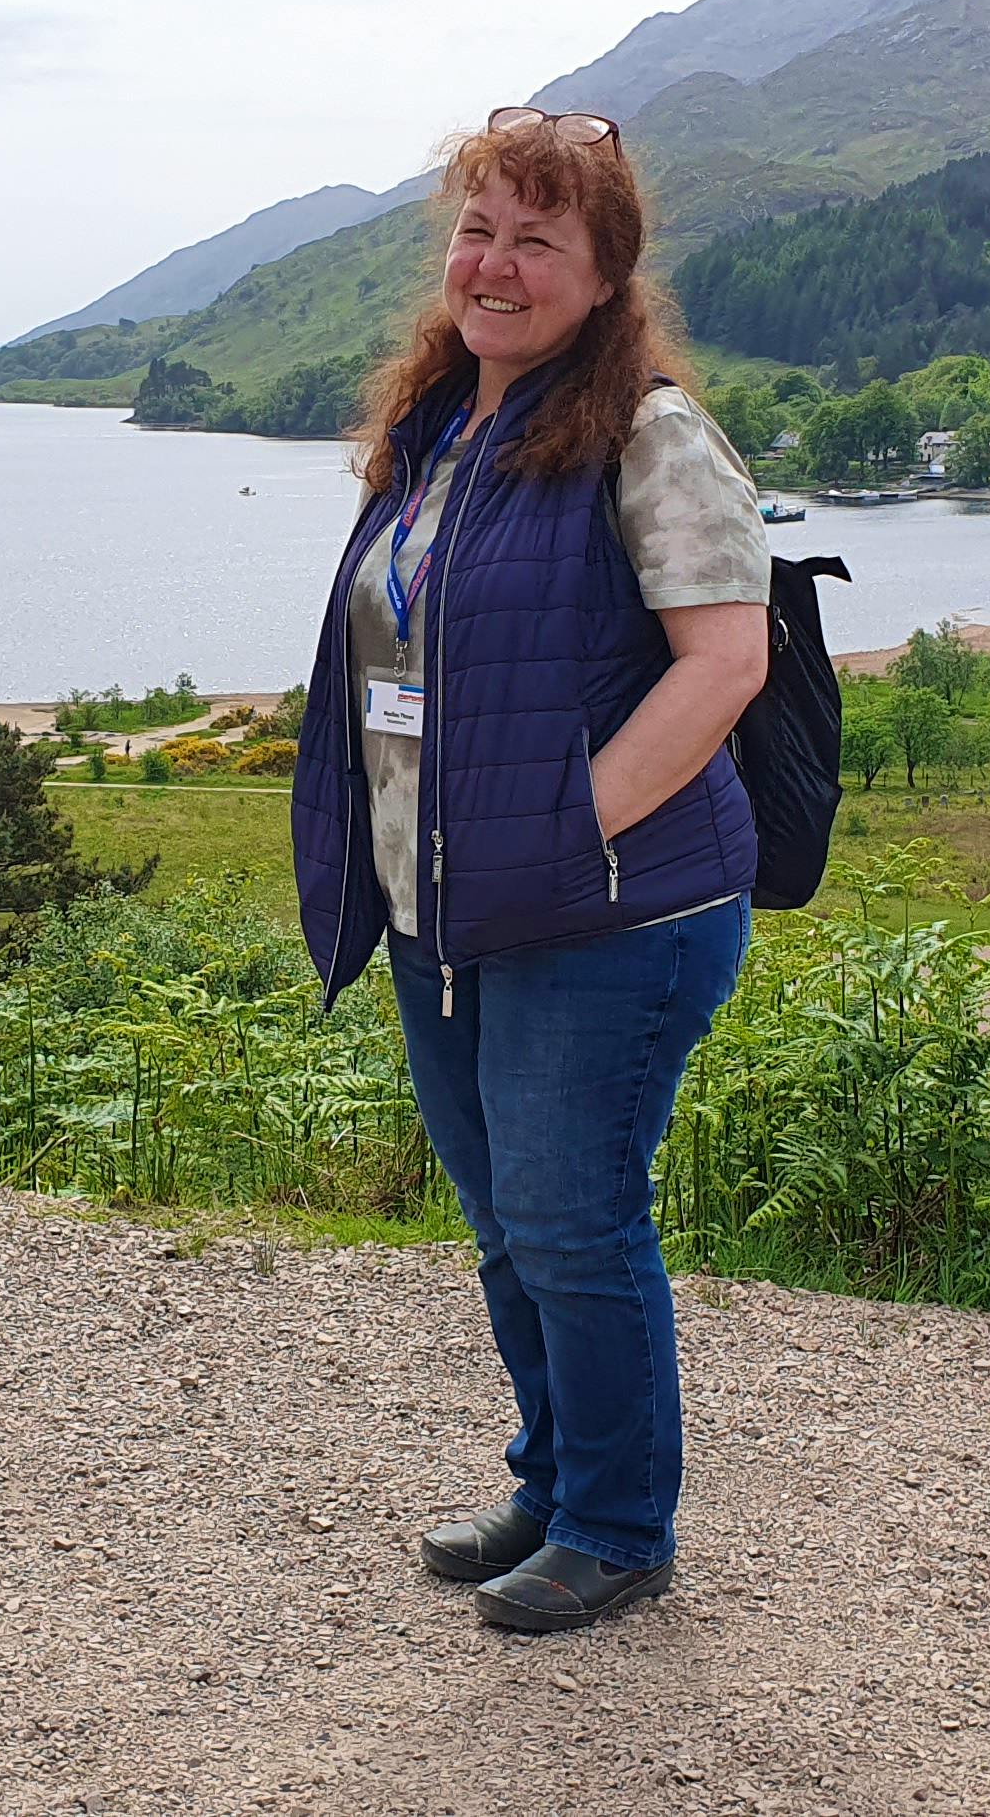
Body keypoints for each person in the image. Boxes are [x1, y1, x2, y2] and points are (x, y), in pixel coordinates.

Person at [289, 106, 772, 1634]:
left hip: (609, 915)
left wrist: (570, 835)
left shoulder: (649, 429)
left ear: (606, 271)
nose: (494, 265)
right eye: (478, 231)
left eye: (537, 240)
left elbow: (724, 666)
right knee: (511, 1221)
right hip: (458, 916)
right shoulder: (449, 428)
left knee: (575, 1220)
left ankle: (621, 1527)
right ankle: (558, 1483)